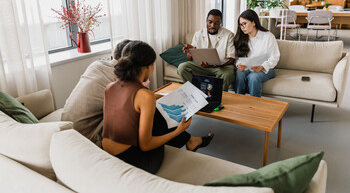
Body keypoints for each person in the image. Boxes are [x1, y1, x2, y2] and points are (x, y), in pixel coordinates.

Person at [102, 41, 214, 174]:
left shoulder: (110, 87)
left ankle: (192, 140)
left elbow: (126, 111)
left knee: (158, 112)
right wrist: (178, 131)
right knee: (162, 117)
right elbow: (146, 145)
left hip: (107, 153)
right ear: (148, 67)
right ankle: (190, 140)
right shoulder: (145, 96)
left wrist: (156, 100)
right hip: (133, 160)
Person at [61, 39, 133, 147]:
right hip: (87, 139)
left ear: (112, 57)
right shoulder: (121, 79)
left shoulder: (96, 64)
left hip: (66, 129)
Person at [177, 9, 236, 91]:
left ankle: (219, 97)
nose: (212, 25)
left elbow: (231, 59)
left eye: (216, 23)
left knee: (228, 74)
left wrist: (215, 64)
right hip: (201, 66)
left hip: (221, 67)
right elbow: (189, 59)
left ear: (220, 23)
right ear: (206, 20)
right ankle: (194, 93)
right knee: (182, 67)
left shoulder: (229, 35)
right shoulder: (198, 34)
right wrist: (190, 52)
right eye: (210, 22)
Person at [233, 9, 280, 97]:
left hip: (265, 68)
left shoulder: (268, 36)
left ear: (253, 22)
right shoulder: (241, 38)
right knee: (239, 74)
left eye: (245, 24)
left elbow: (274, 57)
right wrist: (239, 65)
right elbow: (237, 58)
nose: (242, 27)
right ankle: (239, 101)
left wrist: (262, 67)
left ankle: (254, 105)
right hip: (247, 68)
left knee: (253, 77)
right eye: (240, 25)